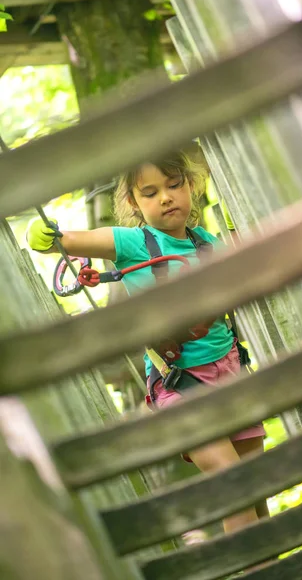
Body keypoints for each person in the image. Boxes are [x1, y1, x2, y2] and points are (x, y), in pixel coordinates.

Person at [27, 150, 268, 534]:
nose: (166, 198)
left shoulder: (206, 243)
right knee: (232, 479)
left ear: (191, 186)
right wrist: (47, 238)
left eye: (174, 185)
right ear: (133, 203)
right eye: (151, 192)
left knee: (255, 485)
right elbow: (70, 241)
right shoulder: (133, 244)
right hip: (181, 384)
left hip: (230, 371)